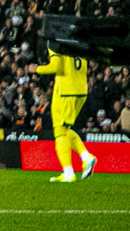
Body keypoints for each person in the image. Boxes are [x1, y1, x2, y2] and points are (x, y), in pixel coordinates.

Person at [32, 48, 97, 182]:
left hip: (65, 90)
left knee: (60, 132)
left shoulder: (56, 41)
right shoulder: (79, 39)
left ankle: (68, 172)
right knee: (65, 130)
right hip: (81, 89)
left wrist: (36, 69)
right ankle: (86, 157)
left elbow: (56, 66)